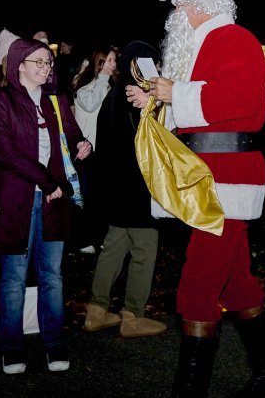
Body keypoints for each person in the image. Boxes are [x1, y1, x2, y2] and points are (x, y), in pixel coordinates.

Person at [126, 0, 265, 397]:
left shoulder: (235, 39)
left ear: (199, 4)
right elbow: (195, 108)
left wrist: (174, 93)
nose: (174, 15)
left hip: (227, 179)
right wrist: (156, 97)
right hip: (206, 175)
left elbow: (240, 101)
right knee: (236, 282)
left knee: (197, 285)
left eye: (178, 6)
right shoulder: (200, 44)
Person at [0, 37, 91, 375]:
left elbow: (72, 133)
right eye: (39, 62)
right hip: (17, 197)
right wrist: (47, 182)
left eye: (49, 62)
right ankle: (12, 348)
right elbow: (6, 151)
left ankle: (53, 342)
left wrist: (82, 142)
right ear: (20, 66)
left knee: (53, 276)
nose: (46, 68)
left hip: (54, 200)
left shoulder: (56, 100)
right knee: (14, 277)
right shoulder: (2, 101)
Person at [82, 40, 167, 339]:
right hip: (138, 189)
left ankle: (96, 310)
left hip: (114, 189)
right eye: (154, 63)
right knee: (145, 249)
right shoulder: (138, 97)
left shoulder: (113, 96)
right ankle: (133, 316)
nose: (158, 69)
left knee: (114, 248)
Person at [72, 46, 117, 253]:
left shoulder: (109, 85)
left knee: (102, 197)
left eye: (114, 61)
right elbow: (90, 105)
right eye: (108, 60)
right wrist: (102, 80)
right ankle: (83, 240)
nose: (112, 65)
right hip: (86, 151)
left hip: (105, 151)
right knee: (86, 197)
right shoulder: (84, 85)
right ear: (99, 62)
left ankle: (99, 237)